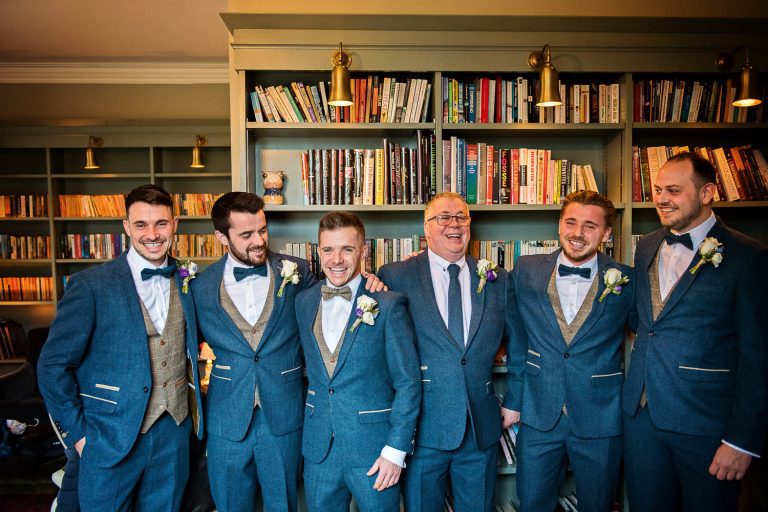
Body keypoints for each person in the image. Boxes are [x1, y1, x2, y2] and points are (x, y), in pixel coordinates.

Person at [192, 192, 383, 512]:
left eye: (262, 230)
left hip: (284, 415)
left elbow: (334, 304)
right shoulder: (199, 285)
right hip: (226, 418)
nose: (258, 241)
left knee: (283, 505)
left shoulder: (297, 271)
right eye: (246, 234)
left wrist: (368, 282)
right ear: (221, 237)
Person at [37, 184, 204, 511]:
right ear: (126, 227)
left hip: (174, 431)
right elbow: (52, 366)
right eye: (141, 224)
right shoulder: (91, 285)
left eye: (161, 224)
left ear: (175, 224)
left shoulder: (188, 278)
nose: (152, 234)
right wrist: (79, 436)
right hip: (108, 437)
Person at [623, 151, 768, 512]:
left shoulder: (749, 257)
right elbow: (647, 322)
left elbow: (759, 356)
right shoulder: (647, 246)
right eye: (657, 189)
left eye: (673, 190)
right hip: (641, 418)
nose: (661, 198)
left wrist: (741, 442)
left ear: (707, 193)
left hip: (707, 426)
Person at [377, 192, 517, 512]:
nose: (454, 224)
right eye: (444, 217)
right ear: (426, 229)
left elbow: (519, 342)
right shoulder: (395, 275)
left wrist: (515, 399)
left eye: (461, 218)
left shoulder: (497, 279)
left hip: (480, 429)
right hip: (422, 428)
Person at [506, 190, 634, 512]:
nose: (578, 233)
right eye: (571, 222)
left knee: (599, 504)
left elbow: (653, 330)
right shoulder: (526, 268)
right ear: (559, 225)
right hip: (538, 412)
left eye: (590, 226)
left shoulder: (626, 279)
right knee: (532, 503)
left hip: (601, 415)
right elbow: (513, 333)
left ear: (606, 234)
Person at [295, 211, 421, 512]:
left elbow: (408, 383)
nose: (336, 259)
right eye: (328, 249)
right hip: (319, 448)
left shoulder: (388, 304)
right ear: (318, 250)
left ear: (363, 251)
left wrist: (395, 451)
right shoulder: (304, 302)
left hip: (375, 450)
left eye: (347, 249)